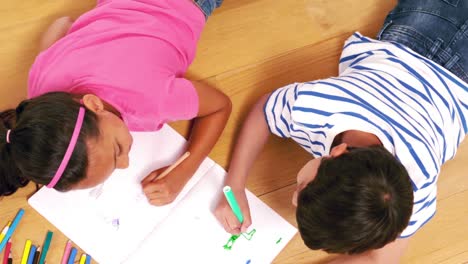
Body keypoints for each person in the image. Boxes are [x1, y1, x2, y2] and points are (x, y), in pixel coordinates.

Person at [214, 0, 468, 262]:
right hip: (418, 32)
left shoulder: (416, 187)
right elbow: (263, 111)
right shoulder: (315, 107)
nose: (293, 198)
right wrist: (235, 183)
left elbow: (379, 260)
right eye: (300, 187)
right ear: (337, 152)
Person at [0, 0, 231, 207]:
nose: (125, 163)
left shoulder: (152, 102)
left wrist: (184, 171)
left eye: (117, 150)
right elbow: (60, 25)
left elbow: (220, 106)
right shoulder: (42, 91)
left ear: (94, 105)